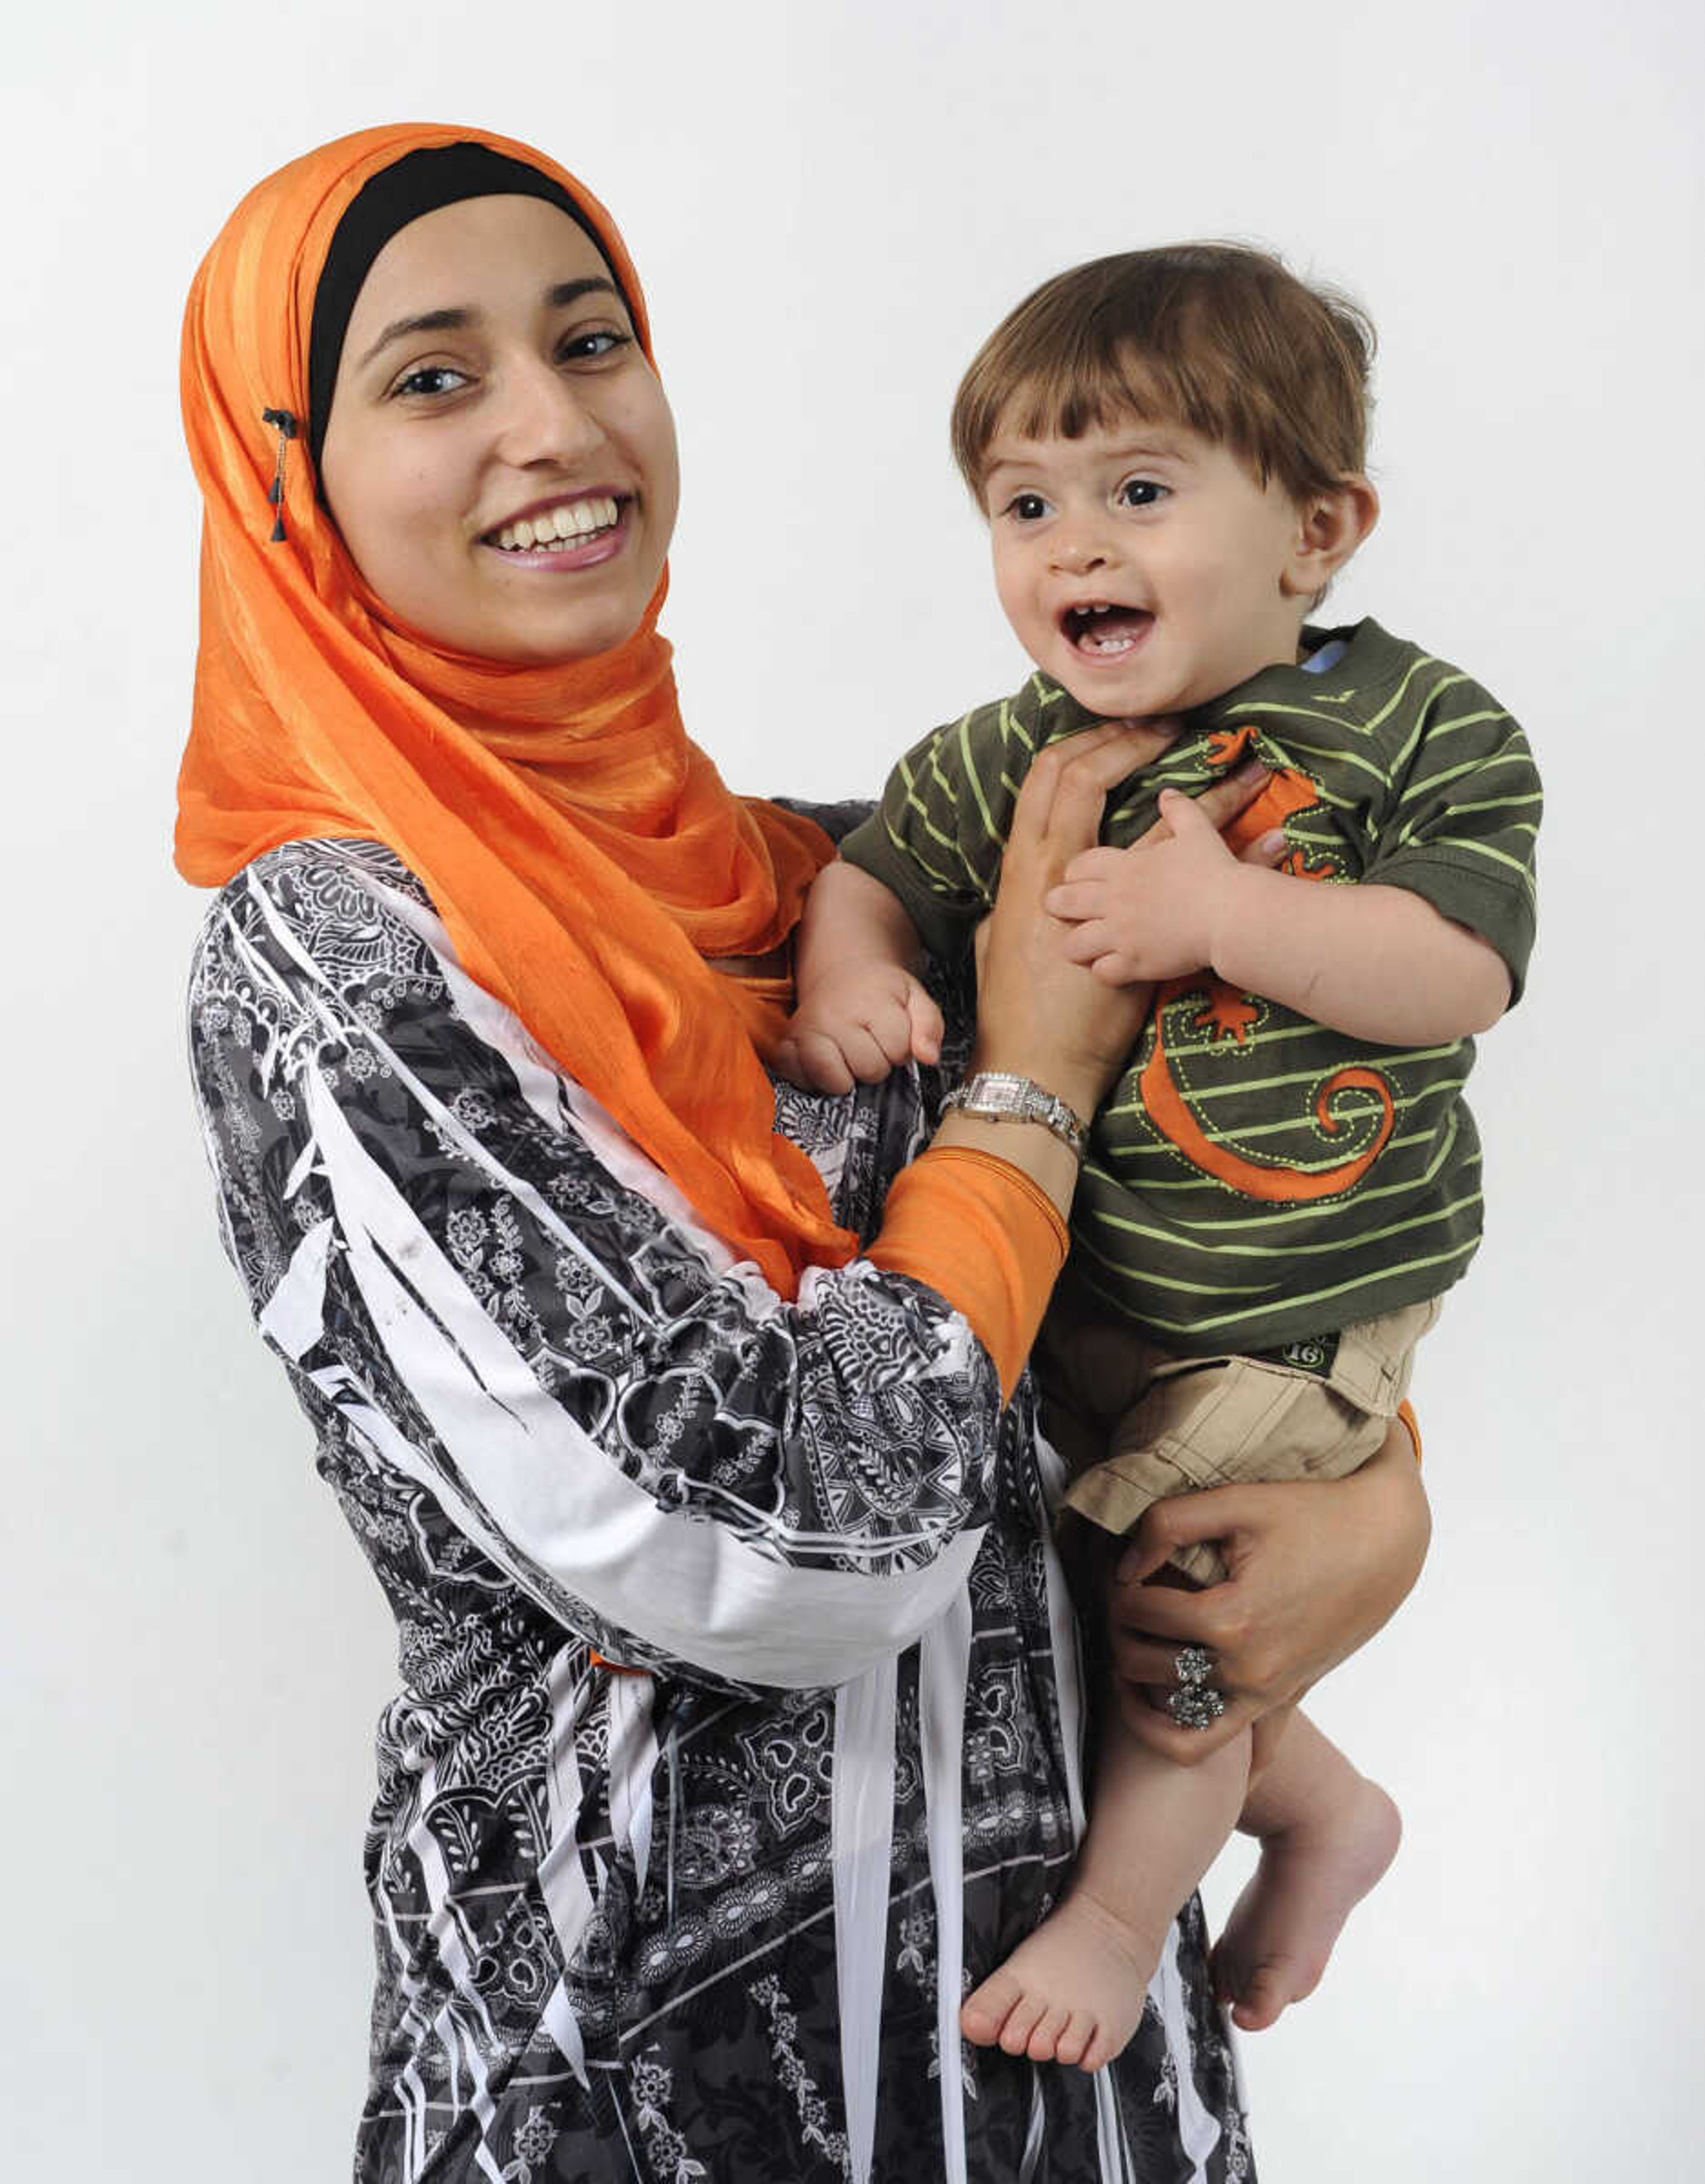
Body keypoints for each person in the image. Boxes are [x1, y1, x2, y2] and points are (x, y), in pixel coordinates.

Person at [177, 129, 1432, 2184]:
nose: (555, 423)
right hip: (654, 2094)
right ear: (286, 472)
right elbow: (778, 1553)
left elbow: (1257, 1190)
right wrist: (1022, 1086)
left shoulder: (809, 880)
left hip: (1081, 2065)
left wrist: (1379, 1507)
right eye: (434, 376)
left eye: (595, 341)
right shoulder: (337, 954)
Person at [782, 244, 1540, 2064]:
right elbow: (872, 865)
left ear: (1317, 529)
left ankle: (1125, 1927)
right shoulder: (1015, 750)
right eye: (1024, 504)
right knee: (1052, 1592)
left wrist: (1223, 914)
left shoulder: (1420, 728)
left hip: (1292, 1329)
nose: (1073, 547)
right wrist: (853, 968)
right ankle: (1326, 1804)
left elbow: (1461, 975)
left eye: (1139, 490)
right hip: (1084, 1306)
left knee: (1178, 1616)